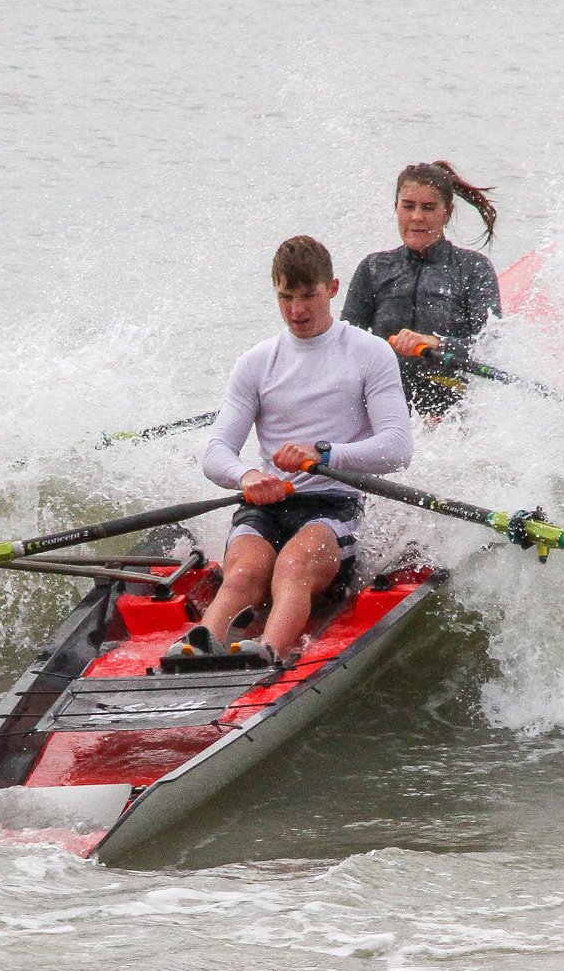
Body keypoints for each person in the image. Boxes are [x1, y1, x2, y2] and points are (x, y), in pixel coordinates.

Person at [170, 235, 413, 666]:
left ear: (333, 289)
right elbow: (217, 451)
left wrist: (324, 455)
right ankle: (193, 652)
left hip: (335, 504)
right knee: (243, 574)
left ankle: (268, 655)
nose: (297, 311)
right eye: (285, 297)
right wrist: (248, 476)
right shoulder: (256, 362)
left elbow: (397, 448)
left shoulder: (370, 354)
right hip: (269, 502)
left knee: (293, 568)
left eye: (308, 296)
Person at [341, 161, 502, 415]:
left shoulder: (473, 268)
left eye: (429, 208)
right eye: (408, 206)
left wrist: (435, 342)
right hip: (384, 410)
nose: (417, 216)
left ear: (447, 212)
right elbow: (345, 344)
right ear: (396, 207)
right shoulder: (373, 268)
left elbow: (489, 346)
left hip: (452, 413)